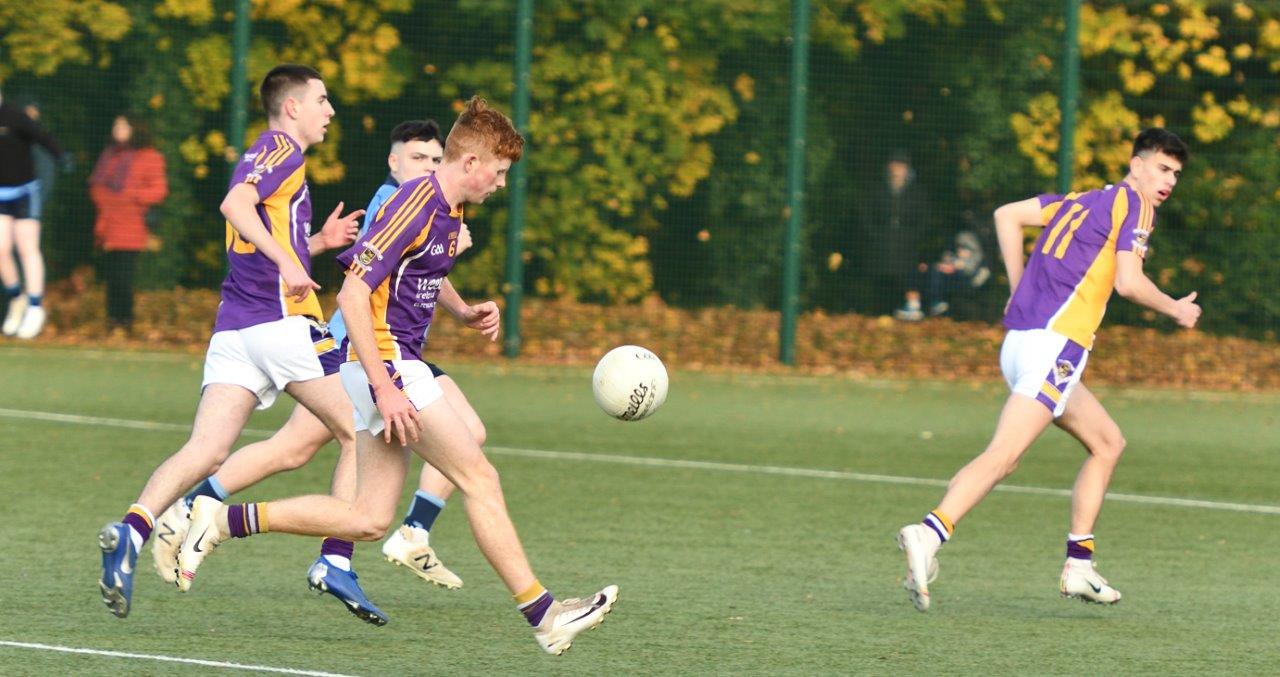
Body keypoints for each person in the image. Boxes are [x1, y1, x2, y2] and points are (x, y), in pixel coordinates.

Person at [176, 96, 617, 656]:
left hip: (385, 367)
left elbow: (416, 273)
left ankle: (219, 520)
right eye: (500, 172)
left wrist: (460, 312)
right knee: (479, 477)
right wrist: (384, 385)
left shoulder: (450, 209)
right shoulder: (417, 202)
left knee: (366, 520)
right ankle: (544, 614)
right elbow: (356, 291)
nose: (502, 184)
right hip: (388, 365)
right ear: (472, 163)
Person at [151, 119, 489, 603]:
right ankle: (348, 547)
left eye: (436, 159)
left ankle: (377, 540)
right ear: (393, 163)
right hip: (363, 347)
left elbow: (422, 265)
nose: (429, 167)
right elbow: (372, 270)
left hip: (395, 353)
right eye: (417, 158)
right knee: (302, 446)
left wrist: (458, 306)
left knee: (293, 448)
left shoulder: (437, 206)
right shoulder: (396, 201)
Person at [97, 64, 364, 620]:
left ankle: (133, 530)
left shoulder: (272, 157)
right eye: (322, 99)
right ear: (292, 107)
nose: (330, 110)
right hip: (280, 324)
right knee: (362, 428)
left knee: (206, 450)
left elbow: (258, 231)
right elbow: (235, 207)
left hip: (235, 328)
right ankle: (336, 557)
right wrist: (288, 264)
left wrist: (315, 243)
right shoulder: (281, 149)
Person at [896, 128, 1201, 612]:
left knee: (1107, 442)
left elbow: (1007, 215)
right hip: (1054, 349)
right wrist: (1176, 309)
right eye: (1162, 168)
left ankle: (1079, 566)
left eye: (1176, 174)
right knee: (1003, 457)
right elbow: (1128, 282)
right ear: (1136, 164)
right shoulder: (1136, 205)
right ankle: (929, 532)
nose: (1169, 181)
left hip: (1021, 344)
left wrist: (1018, 287)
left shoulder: (1078, 202)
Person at [0, 87, 70, 339]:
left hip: (24, 193)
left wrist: (61, 156)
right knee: (1, 249)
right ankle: (16, 298)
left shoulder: (15, 116)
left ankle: (34, 307)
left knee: (27, 248)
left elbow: (42, 137)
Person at [89, 114, 169, 333]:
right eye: (116, 125)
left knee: (124, 277)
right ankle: (112, 321)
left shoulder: (149, 156)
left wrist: (131, 196)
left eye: (124, 125)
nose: (119, 129)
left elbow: (158, 190)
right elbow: (97, 187)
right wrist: (108, 201)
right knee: (112, 277)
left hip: (132, 225)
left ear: (135, 128)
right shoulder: (109, 155)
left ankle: (125, 321)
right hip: (108, 225)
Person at [856, 149, 935, 318]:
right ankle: (879, 311)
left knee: (905, 278)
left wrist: (914, 236)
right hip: (881, 241)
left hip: (906, 243)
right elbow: (866, 215)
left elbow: (924, 219)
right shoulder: (876, 190)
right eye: (894, 165)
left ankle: (905, 309)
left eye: (901, 166)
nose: (897, 170)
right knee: (881, 280)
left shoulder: (917, 193)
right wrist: (874, 234)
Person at [911, 229, 990, 319]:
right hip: (951, 278)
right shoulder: (953, 253)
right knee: (930, 270)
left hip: (967, 281)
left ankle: (934, 303)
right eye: (959, 248)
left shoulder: (978, 262)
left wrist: (956, 267)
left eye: (964, 248)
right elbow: (946, 262)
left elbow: (975, 275)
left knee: (936, 272)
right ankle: (920, 304)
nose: (960, 250)